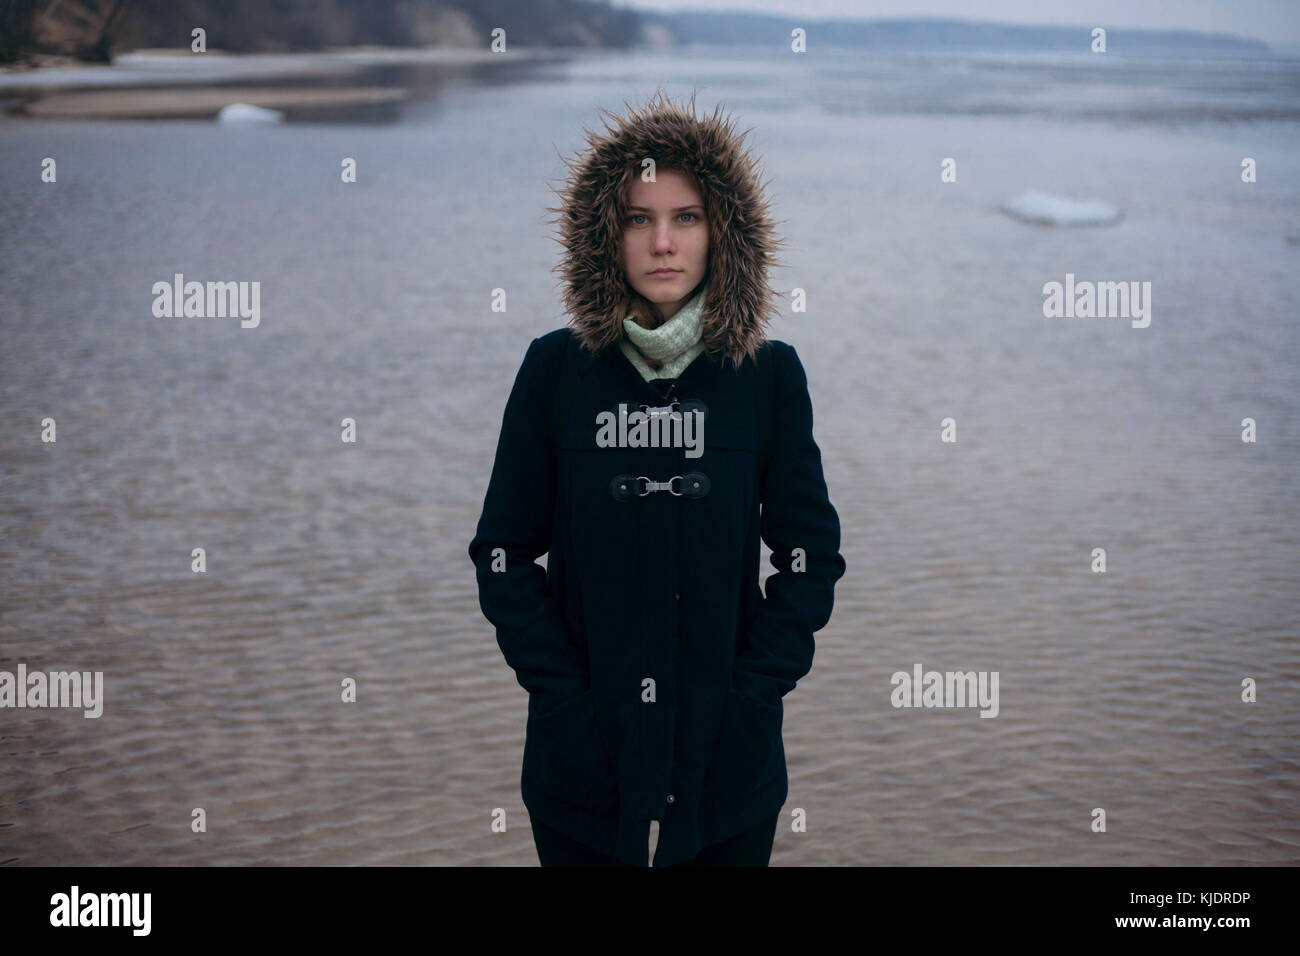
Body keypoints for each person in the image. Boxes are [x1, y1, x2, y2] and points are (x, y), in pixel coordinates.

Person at [468, 91, 846, 867]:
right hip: (580, 758)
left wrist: (755, 695)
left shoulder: (767, 376)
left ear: (724, 234)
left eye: (687, 217)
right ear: (606, 235)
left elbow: (810, 557)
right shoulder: (556, 370)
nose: (662, 242)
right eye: (639, 218)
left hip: (729, 759)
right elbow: (503, 553)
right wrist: (562, 697)